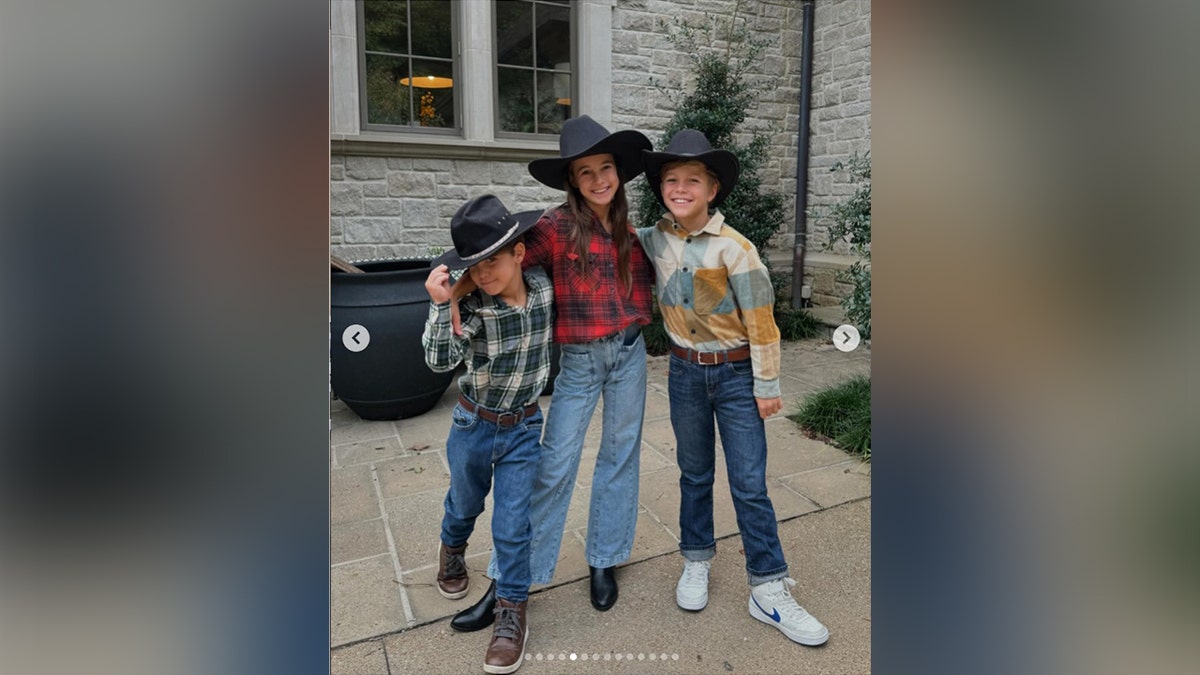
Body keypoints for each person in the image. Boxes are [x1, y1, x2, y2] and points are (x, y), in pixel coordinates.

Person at [448, 115, 655, 632]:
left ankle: (603, 559)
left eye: (606, 168)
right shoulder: (554, 227)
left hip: (629, 355)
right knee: (554, 467)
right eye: (586, 173)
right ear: (572, 181)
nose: (599, 180)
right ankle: (507, 586)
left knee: (619, 457)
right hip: (581, 364)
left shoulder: (630, 229)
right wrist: (453, 291)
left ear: (618, 174)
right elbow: (494, 260)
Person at [635, 129, 830, 646]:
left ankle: (768, 586)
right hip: (683, 374)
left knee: (749, 482)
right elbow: (598, 241)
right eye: (671, 180)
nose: (680, 188)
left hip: (737, 377)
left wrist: (767, 383)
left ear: (712, 189)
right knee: (693, 474)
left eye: (691, 180)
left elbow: (763, 323)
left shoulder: (736, 250)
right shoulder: (653, 238)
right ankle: (696, 560)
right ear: (662, 189)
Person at [422, 194, 554, 674]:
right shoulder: (471, 307)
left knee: (513, 523)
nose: (483, 275)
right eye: (473, 267)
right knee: (464, 504)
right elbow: (437, 361)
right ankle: (452, 552)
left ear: (519, 253)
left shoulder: (544, 289)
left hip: (523, 428)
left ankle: (511, 611)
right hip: (473, 425)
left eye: (492, 261)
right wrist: (443, 305)